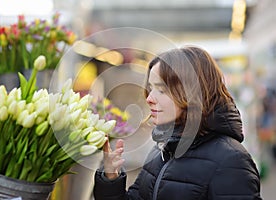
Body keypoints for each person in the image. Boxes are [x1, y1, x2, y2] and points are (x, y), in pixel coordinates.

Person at [93, 45, 262, 200]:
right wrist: (110, 178)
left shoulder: (230, 161)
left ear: (192, 93)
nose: (150, 98)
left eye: (161, 90)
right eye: (151, 89)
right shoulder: (162, 150)